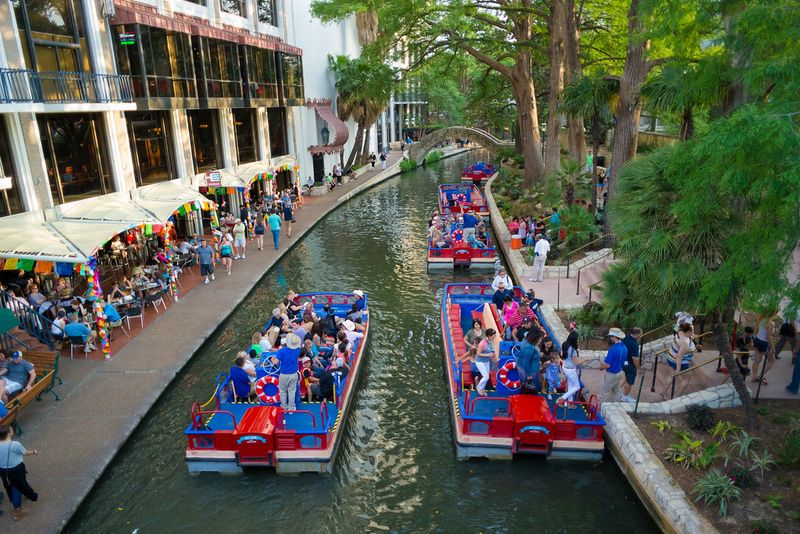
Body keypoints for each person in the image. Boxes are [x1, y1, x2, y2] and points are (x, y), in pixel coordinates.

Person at [0, 425, 38, 521]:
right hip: (16, 469)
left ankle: (23, 495)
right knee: (16, 488)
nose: (12, 430)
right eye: (11, 430)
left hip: (4, 471)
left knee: (11, 486)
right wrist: (34, 452)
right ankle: (18, 512)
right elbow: (25, 452)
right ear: (8, 433)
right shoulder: (15, 444)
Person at [271, 333, 301, 411]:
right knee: (292, 392)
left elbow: (275, 363)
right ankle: (291, 409)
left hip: (283, 374)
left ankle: (283, 408)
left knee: (283, 392)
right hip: (294, 374)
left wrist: (272, 358)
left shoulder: (281, 351)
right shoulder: (298, 350)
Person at [599, 328, 627, 403]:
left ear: (615, 337)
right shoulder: (624, 347)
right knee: (617, 393)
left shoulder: (613, 349)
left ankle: (600, 411)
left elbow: (607, 365)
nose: (610, 338)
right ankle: (615, 408)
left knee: (603, 393)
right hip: (619, 372)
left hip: (612, 374)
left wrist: (601, 367)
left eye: (611, 336)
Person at [557, 329, 583, 406]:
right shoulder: (573, 350)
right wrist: (584, 360)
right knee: (577, 386)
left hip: (565, 366)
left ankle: (569, 403)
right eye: (577, 338)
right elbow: (576, 363)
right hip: (570, 370)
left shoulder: (565, 344)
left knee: (571, 385)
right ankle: (563, 398)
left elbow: (564, 356)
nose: (578, 340)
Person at [620, 327, 643, 402]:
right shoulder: (634, 344)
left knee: (625, 378)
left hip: (622, 361)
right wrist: (639, 369)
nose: (640, 336)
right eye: (640, 334)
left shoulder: (625, 338)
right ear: (636, 334)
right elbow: (635, 358)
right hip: (629, 364)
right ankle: (625, 396)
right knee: (629, 381)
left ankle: (621, 393)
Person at [752, 315, 775, 384]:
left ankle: (754, 377)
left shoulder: (761, 318)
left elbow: (756, 329)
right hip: (764, 343)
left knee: (757, 360)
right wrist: (773, 348)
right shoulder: (771, 323)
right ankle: (760, 376)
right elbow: (768, 337)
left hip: (757, 340)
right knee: (771, 360)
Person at [475, 328, 498, 396]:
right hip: (480, 361)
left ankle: (482, 389)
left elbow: (492, 352)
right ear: (489, 336)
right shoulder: (482, 343)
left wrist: (494, 359)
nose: (494, 337)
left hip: (486, 361)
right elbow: (478, 353)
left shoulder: (491, 342)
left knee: (486, 376)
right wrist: (488, 355)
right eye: (493, 336)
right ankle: (479, 387)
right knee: (486, 377)